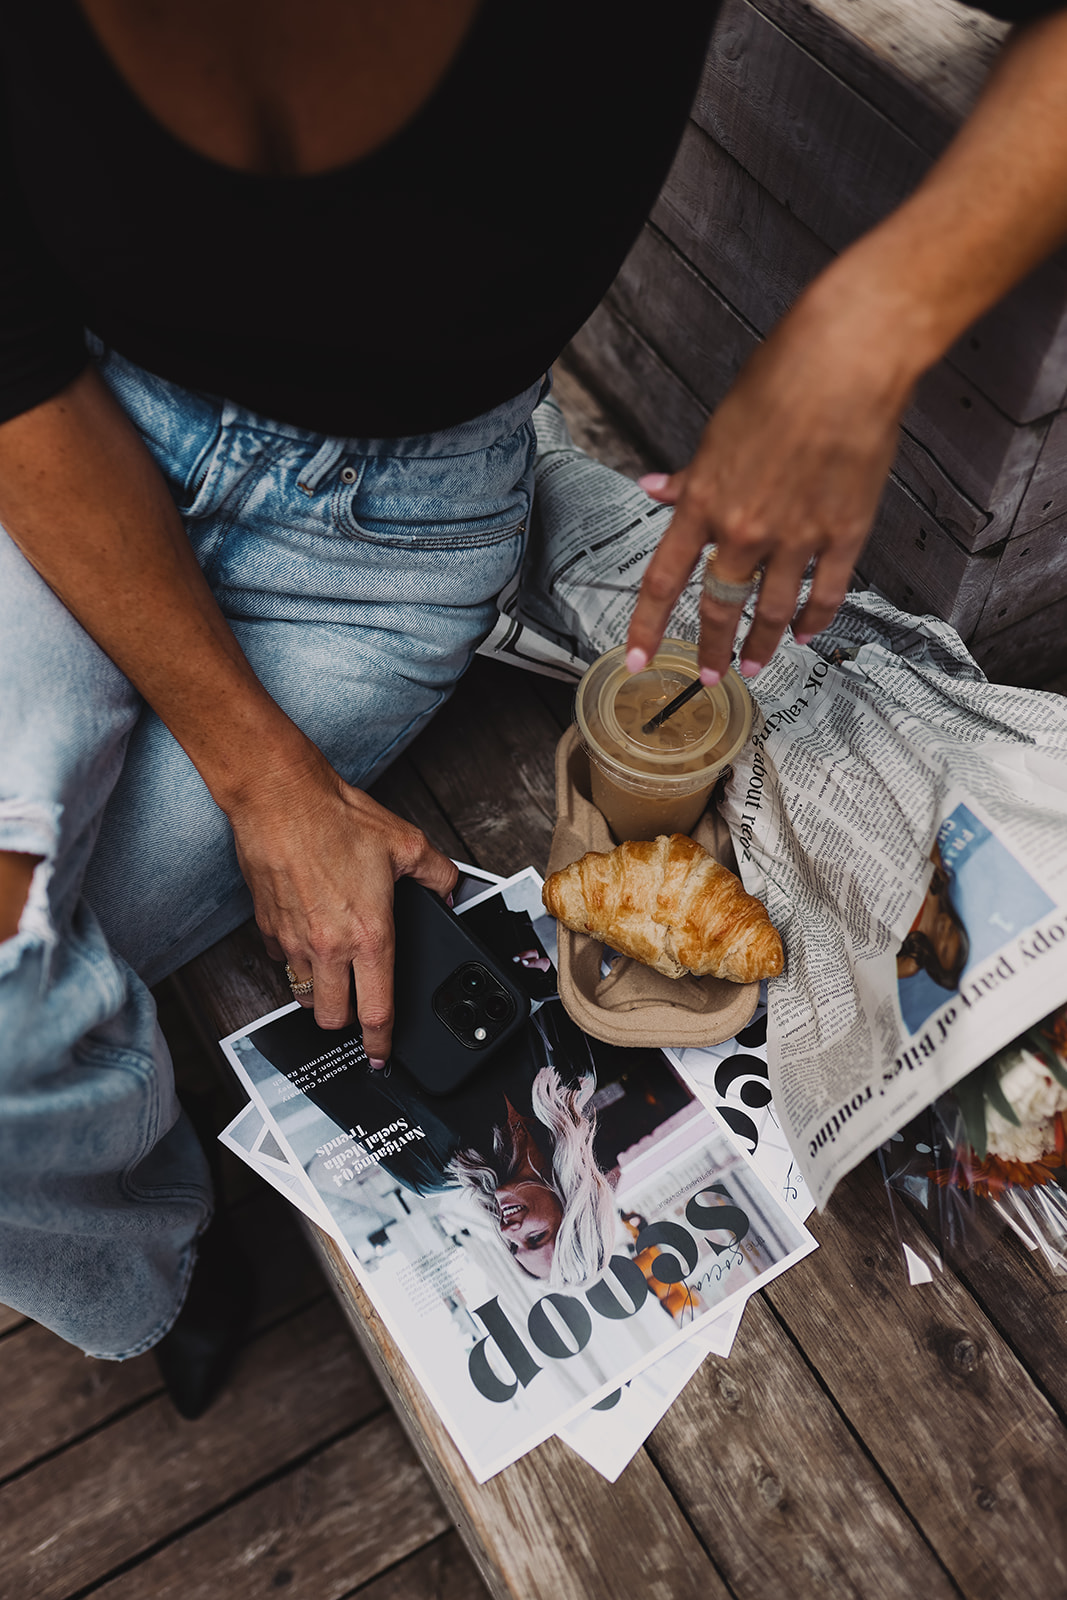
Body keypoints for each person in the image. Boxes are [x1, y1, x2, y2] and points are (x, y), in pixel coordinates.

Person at [2, 0, 1067, 1407]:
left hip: (385, 542)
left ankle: (128, 1196)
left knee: (23, 1046)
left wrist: (867, 326)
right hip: (63, 462)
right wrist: (266, 780)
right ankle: (159, 1269)